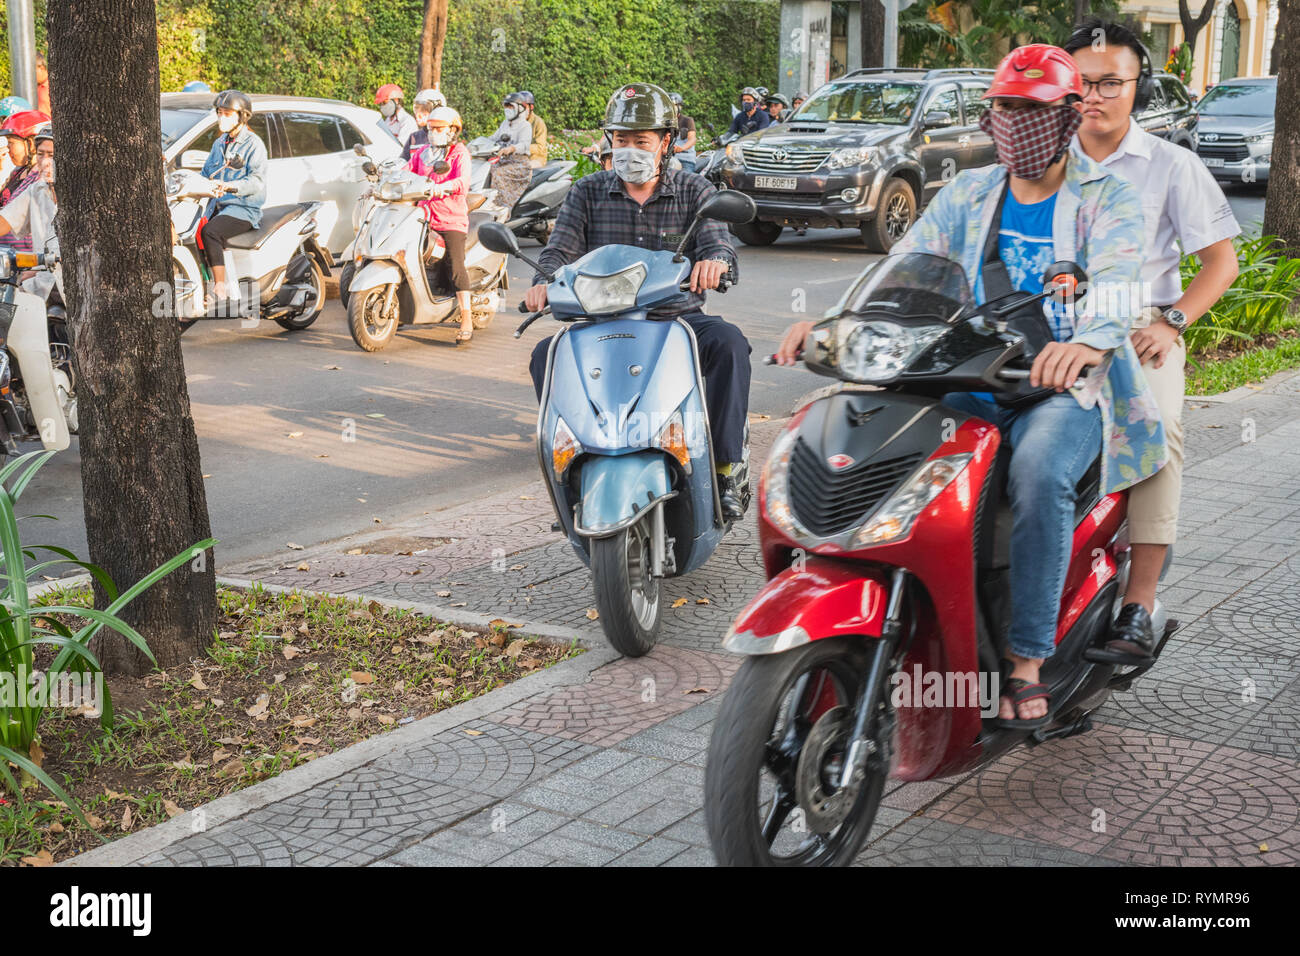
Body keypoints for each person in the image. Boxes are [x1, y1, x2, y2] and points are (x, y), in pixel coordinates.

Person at [775, 45, 1165, 725]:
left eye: (1034, 110)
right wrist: (836, 321)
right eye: (1006, 108)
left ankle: (1024, 663)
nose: (1017, 122)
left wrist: (1083, 344)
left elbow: (1123, 281)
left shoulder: (1108, 198)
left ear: (1071, 117)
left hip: (1061, 391)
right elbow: (908, 268)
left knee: (1040, 475)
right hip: (964, 378)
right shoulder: (969, 192)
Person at [1064, 18, 1241, 661]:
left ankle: (1138, 603)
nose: (1096, 95)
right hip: (1050, 323)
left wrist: (1174, 324)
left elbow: (1221, 263)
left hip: (1140, 327)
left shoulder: (1173, 165)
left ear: (1137, 86)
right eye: (1082, 82)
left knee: (1157, 428)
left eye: (1111, 81)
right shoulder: (1042, 162)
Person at [524, 82, 752, 521]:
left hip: (676, 321)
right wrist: (542, 282)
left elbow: (719, 246)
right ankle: (572, 468)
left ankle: (725, 467)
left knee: (728, 344)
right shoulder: (587, 192)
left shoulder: (693, 191)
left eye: (641, 141)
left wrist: (715, 264)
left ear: (665, 142)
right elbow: (558, 252)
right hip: (599, 326)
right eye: (621, 139)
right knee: (544, 356)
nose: (629, 149)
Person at [407, 106, 476, 344]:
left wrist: (443, 187)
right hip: (422, 216)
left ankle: (466, 316)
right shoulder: (423, 153)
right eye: (431, 128)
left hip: (449, 219)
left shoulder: (459, 153)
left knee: (456, 266)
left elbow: (462, 182)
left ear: (452, 130)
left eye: (439, 128)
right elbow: (407, 170)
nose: (434, 132)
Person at [198, 90, 268, 309]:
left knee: (210, 231)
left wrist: (231, 186)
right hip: (217, 206)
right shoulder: (219, 143)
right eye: (219, 112)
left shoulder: (254, 145)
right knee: (192, 232)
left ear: (242, 116)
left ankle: (220, 288)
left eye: (227, 113)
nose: (222, 117)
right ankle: (202, 286)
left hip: (243, 208)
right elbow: (207, 171)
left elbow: (256, 182)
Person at [0, 123, 58, 298]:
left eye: (52, 155)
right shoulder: (36, 190)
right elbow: (6, 220)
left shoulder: (82, 193)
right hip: (39, 285)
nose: (45, 161)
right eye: (41, 154)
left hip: (70, 285)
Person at [0, 109, 50, 255]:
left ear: (31, 143)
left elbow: (10, 218)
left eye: (11, 142)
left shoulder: (41, 179)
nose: (8, 149)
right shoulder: (18, 172)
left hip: (26, 261)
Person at [488, 92, 533, 211]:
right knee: (487, 169)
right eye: (506, 106)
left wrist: (512, 148)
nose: (508, 109)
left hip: (519, 164)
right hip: (504, 160)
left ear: (519, 108)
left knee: (498, 173)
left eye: (511, 106)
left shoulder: (525, 126)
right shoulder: (505, 124)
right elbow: (493, 138)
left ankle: (502, 208)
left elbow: (524, 144)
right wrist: (476, 144)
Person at [403, 88, 447, 162]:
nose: (418, 114)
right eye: (416, 109)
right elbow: (403, 161)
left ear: (438, 110)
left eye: (424, 110)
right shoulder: (414, 137)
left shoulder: (446, 137)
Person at [375, 84, 418, 148]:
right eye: (381, 104)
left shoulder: (407, 122)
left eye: (384, 102)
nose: (382, 106)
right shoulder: (387, 121)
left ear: (396, 100)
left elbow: (399, 147)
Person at [518, 91, 548, 168]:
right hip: (519, 158)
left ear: (531, 107)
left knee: (523, 168)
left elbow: (540, 147)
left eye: (524, 107)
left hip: (536, 159)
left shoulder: (538, 122)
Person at [669, 92, 697, 172]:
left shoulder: (687, 120)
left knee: (685, 180)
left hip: (685, 159)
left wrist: (681, 148)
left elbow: (692, 139)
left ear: (679, 107)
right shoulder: (664, 122)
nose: (671, 109)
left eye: (674, 106)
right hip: (668, 158)